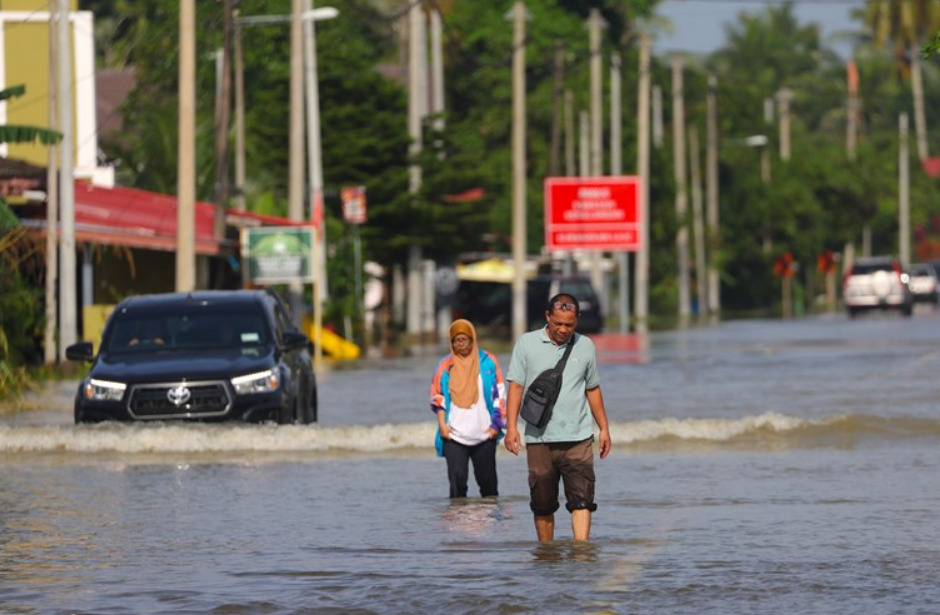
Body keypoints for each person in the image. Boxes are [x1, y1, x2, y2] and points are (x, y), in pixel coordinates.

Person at [504, 293, 611, 542]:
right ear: (547, 317)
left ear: (577, 321)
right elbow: (516, 387)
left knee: (582, 500)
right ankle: (547, 553)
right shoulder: (526, 344)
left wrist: (604, 428)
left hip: (578, 437)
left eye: (569, 325)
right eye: (558, 323)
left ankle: (581, 552)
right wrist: (511, 428)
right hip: (539, 438)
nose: (563, 329)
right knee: (542, 504)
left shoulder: (585, 345)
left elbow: (592, 388)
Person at [429, 319, 507, 498]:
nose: (461, 343)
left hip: (485, 434)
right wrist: (442, 425)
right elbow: (437, 396)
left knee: (488, 487)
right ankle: (458, 522)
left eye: (465, 339)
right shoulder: (445, 365)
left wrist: (497, 425)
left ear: (473, 339)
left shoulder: (487, 362)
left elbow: (499, 394)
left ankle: (488, 523)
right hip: (454, 435)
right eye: (457, 340)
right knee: (457, 485)